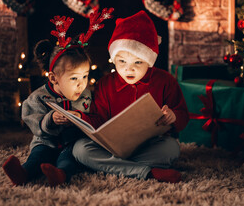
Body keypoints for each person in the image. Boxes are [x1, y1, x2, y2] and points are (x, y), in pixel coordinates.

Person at [73, 10, 189, 183]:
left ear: (149, 61)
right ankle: (147, 172)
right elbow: (98, 119)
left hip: (150, 145)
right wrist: (82, 119)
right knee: (79, 149)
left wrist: (173, 116)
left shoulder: (165, 81)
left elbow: (183, 116)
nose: (129, 69)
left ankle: (112, 166)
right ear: (114, 59)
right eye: (122, 62)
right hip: (112, 148)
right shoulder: (105, 84)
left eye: (138, 62)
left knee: (171, 148)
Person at [2, 15, 94, 187]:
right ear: (54, 78)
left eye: (85, 76)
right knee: (38, 156)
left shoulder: (86, 95)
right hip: (46, 142)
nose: (81, 83)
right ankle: (24, 173)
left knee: (69, 159)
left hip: (71, 144)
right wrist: (50, 119)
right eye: (74, 78)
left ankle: (60, 175)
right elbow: (30, 117)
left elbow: (94, 116)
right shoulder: (38, 97)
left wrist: (81, 117)